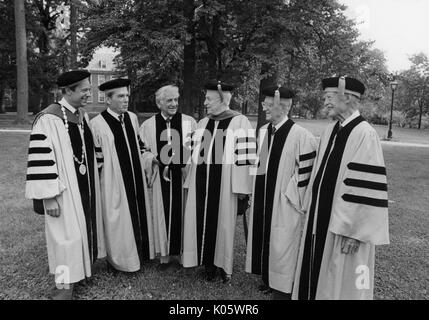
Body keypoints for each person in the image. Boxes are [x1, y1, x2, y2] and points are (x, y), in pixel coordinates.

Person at [292, 76, 390, 300]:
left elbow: (365, 188)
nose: (324, 102)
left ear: (347, 98)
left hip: (346, 230)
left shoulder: (365, 134)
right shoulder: (330, 131)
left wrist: (356, 233)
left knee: (343, 280)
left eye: (329, 97)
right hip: (319, 221)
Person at [25, 70, 106, 300]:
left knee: (80, 233)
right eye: (84, 90)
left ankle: (80, 273)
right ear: (68, 91)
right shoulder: (48, 118)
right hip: (61, 190)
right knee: (63, 238)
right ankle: (63, 286)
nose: (88, 94)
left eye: (89, 90)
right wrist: (48, 196)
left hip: (83, 187)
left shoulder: (81, 116)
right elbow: (40, 158)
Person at [245, 85, 317, 299]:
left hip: (284, 199)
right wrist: (253, 190)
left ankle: (282, 283)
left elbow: (306, 171)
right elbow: (258, 165)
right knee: (264, 235)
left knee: (283, 240)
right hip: (262, 197)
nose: (263, 107)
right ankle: (267, 278)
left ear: (281, 106)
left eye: (267, 104)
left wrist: (289, 195)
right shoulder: (263, 131)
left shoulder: (300, 135)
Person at [182, 80, 256, 283]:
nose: (204, 102)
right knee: (200, 221)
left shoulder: (240, 122)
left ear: (222, 99)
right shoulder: (203, 123)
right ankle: (205, 264)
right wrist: (189, 177)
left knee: (222, 224)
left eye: (208, 98)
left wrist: (242, 189)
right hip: (201, 185)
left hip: (225, 187)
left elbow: (246, 158)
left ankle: (222, 266)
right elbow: (192, 155)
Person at [90, 78, 155, 273]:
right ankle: (119, 261)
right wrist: (105, 185)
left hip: (136, 180)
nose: (126, 100)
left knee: (139, 213)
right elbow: (97, 161)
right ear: (108, 100)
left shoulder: (132, 118)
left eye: (127, 95)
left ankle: (142, 254)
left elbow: (140, 145)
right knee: (117, 221)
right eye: (120, 96)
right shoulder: (97, 125)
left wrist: (150, 159)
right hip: (112, 183)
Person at [139, 85, 197, 271]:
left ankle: (181, 255)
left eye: (176, 100)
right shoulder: (148, 126)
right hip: (160, 177)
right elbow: (142, 151)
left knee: (183, 213)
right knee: (162, 214)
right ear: (159, 103)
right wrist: (153, 159)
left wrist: (186, 160)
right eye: (169, 100)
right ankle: (164, 256)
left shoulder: (189, 122)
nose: (174, 104)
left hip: (183, 177)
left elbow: (197, 149)